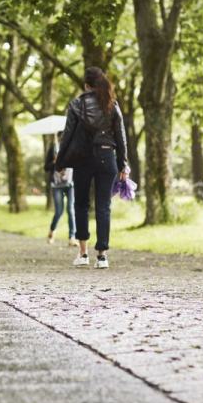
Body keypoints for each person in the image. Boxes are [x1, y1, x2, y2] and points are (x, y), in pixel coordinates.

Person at [54, 67, 129, 269]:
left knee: (81, 205)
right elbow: (121, 136)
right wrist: (123, 164)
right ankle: (102, 256)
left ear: (86, 85)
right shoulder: (112, 104)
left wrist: (60, 163)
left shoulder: (77, 104)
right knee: (104, 206)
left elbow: (67, 135)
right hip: (107, 157)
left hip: (83, 159)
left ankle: (83, 253)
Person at [44, 134, 76, 245]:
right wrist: (54, 162)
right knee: (59, 211)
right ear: (58, 138)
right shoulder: (53, 150)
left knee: (71, 209)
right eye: (61, 137)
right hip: (57, 185)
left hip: (70, 183)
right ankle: (52, 232)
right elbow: (46, 167)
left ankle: (72, 237)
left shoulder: (72, 148)